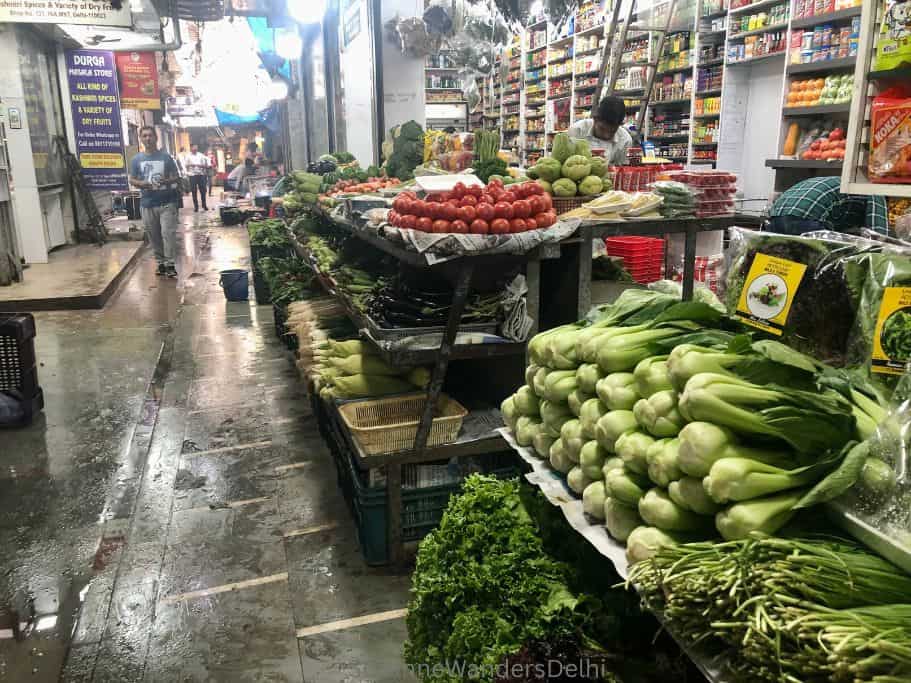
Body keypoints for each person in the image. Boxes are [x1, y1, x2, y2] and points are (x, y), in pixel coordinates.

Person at [129, 126, 181, 278]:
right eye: (144, 136)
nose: (148, 138)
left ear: (156, 138)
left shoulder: (166, 158)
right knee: (154, 235)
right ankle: (161, 263)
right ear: (141, 138)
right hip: (147, 203)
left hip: (167, 202)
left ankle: (170, 263)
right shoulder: (136, 159)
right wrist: (141, 184)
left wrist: (166, 180)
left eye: (150, 135)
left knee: (168, 233)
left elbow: (176, 176)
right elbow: (132, 179)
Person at [768, 176, 889, 235]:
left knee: (782, 262)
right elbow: (878, 237)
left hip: (776, 213)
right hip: (808, 216)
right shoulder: (876, 192)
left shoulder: (850, 183)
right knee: (815, 270)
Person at [567, 96, 632, 165]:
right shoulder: (577, 131)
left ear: (619, 125)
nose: (606, 135)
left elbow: (622, 169)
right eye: (602, 129)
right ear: (595, 119)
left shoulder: (625, 140)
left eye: (612, 132)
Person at [185, 144, 210, 212]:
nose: (195, 148)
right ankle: (196, 207)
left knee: (203, 190)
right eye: (194, 147)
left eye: (196, 147)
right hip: (192, 175)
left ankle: (204, 205)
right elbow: (186, 165)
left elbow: (206, 165)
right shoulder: (188, 156)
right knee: (194, 191)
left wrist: (199, 165)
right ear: (191, 148)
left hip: (201, 174)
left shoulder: (201, 155)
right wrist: (191, 165)